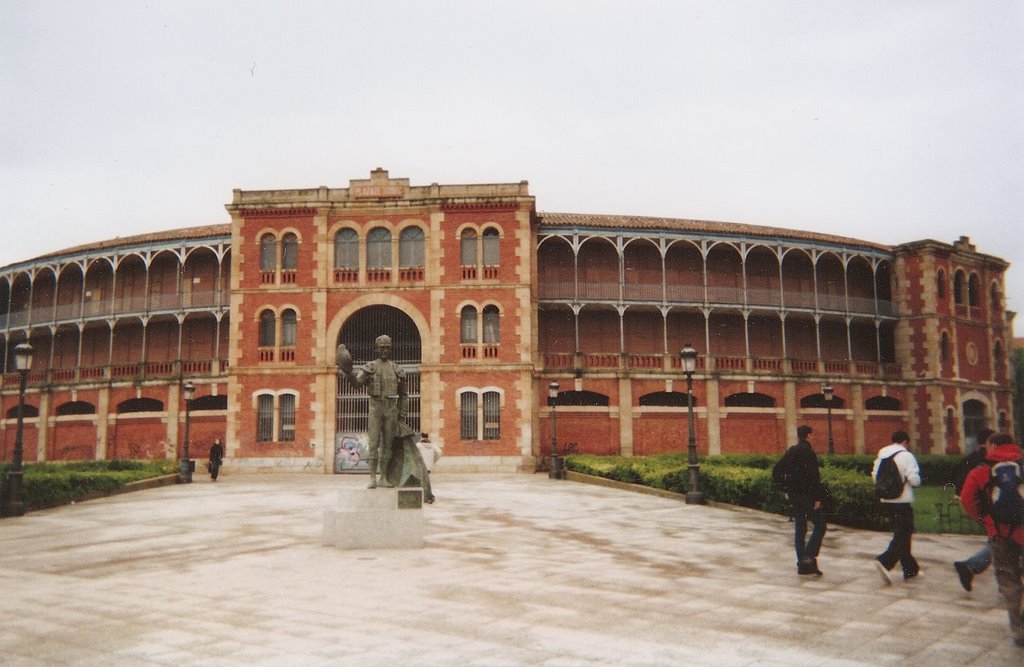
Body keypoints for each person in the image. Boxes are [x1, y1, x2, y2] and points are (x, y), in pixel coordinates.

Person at [960, 432, 1024, 646]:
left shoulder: (982, 470)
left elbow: (968, 499)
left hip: (1000, 534)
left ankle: (1019, 630)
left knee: (1009, 581)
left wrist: (985, 520)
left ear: (993, 445)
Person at [337, 335, 408, 489]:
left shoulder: (397, 369)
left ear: (391, 349)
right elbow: (357, 384)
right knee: (374, 443)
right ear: (376, 348)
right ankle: (372, 478)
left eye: (387, 347)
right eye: (382, 347)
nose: (384, 350)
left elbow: (404, 395)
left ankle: (383, 477)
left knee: (388, 445)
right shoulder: (370, 367)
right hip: (375, 407)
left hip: (391, 408)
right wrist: (348, 372)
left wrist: (402, 413)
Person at [773, 425, 827, 575]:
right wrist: (817, 498)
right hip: (808, 496)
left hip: (794, 496)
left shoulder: (792, 451)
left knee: (800, 528)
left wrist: (785, 488)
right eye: (812, 435)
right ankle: (808, 557)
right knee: (820, 525)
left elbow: (777, 470)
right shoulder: (808, 452)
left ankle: (802, 565)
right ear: (809, 435)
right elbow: (814, 477)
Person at [872, 430, 921, 584]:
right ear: (905, 442)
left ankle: (910, 569)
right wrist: (917, 482)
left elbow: (875, 476)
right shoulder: (906, 456)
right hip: (902, 499)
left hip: (886, 499)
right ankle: (885, 561)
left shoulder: (881, 455)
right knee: (904, 533)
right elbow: (914, 480)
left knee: (901, 532)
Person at [952, 427, 995, 592]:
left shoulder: (970, 458)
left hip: (977, 507)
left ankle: (971, 567)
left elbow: (958, 480)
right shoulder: (990, 459)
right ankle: (971, 566)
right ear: (988, 441)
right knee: (1001, 541)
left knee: (998, 541)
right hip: (992, 508)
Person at [416, 432, 443, 503]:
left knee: (422, 481)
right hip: (428, 466)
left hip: (421, 466)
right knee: (425, 480)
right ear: (427, 437)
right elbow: (439, 452)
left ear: (421, 437)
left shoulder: (418, 445)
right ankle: (427, 497)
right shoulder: (433, 445)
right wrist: (433, 460)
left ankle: (428, 497)